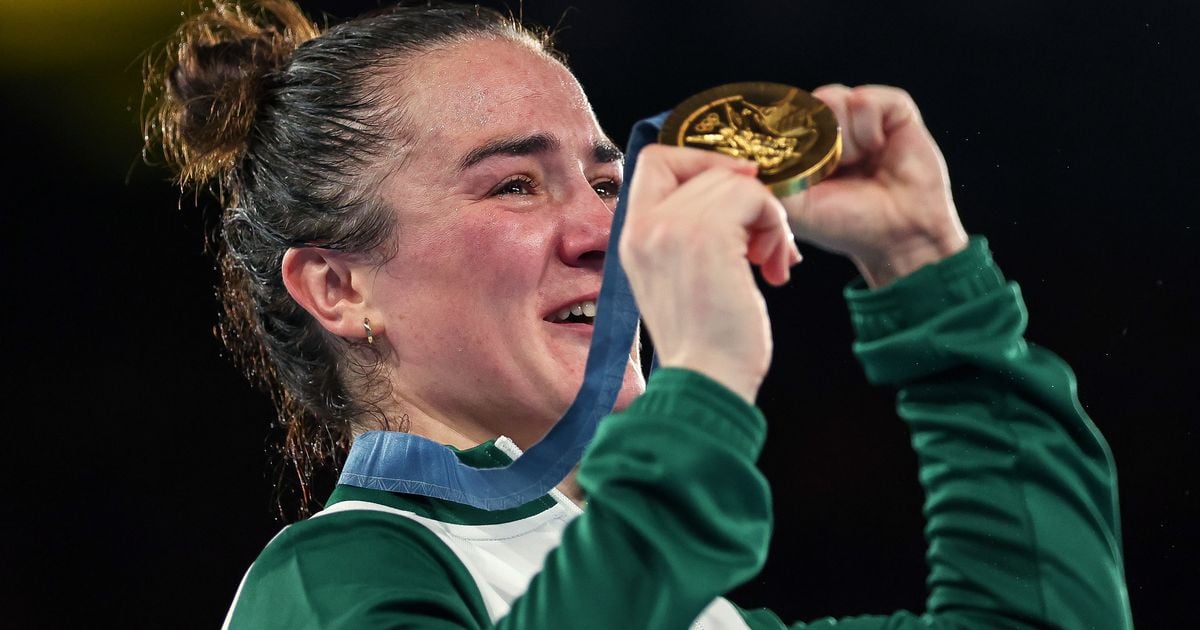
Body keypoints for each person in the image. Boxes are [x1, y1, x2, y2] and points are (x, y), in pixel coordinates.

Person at [144, 1, 1132, 628]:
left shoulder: (670, 600)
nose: (603, 233)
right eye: (516, 187)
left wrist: (927, 272)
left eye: (611, 186)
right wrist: (700, 385)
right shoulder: (332, 588)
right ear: (338, 287)